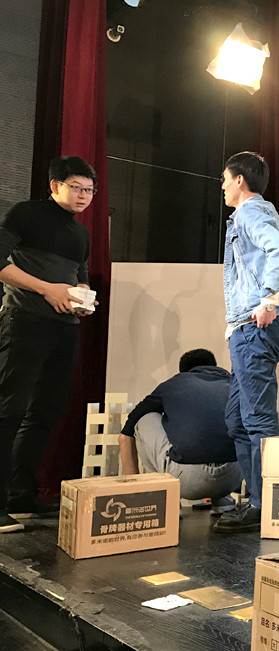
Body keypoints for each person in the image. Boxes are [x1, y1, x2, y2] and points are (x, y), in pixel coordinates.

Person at [0, 156, 100, 534]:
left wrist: (83, 297)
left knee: (45, 411)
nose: (84, 195)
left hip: (65, 327)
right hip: (24, 320)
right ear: (55, 185)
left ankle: (20, 494)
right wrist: (47, 289)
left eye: (90, 190)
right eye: (76, 187)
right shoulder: (25, 214)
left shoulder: (80, 233)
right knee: (9, 409)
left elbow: (80, 277)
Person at [214, 152, 279, 534]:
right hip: (246, 329)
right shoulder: (256, 214)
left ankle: (263, 505)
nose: (222, 186)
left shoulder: (251, 212)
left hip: (254, 330)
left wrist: (270, 301)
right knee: (237, 420)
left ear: (239, 180)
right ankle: (254, 501)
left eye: (224, 179)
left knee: (256, 420)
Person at [119, 349, 243, 514]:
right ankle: (223, 500)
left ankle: (160, 499)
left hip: (186, 481)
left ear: (183, 371)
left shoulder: (174, 384)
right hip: (233, 478)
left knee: (144, 419)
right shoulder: (235, 385)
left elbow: (125, 435)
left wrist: (133, 491)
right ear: (214, 366)